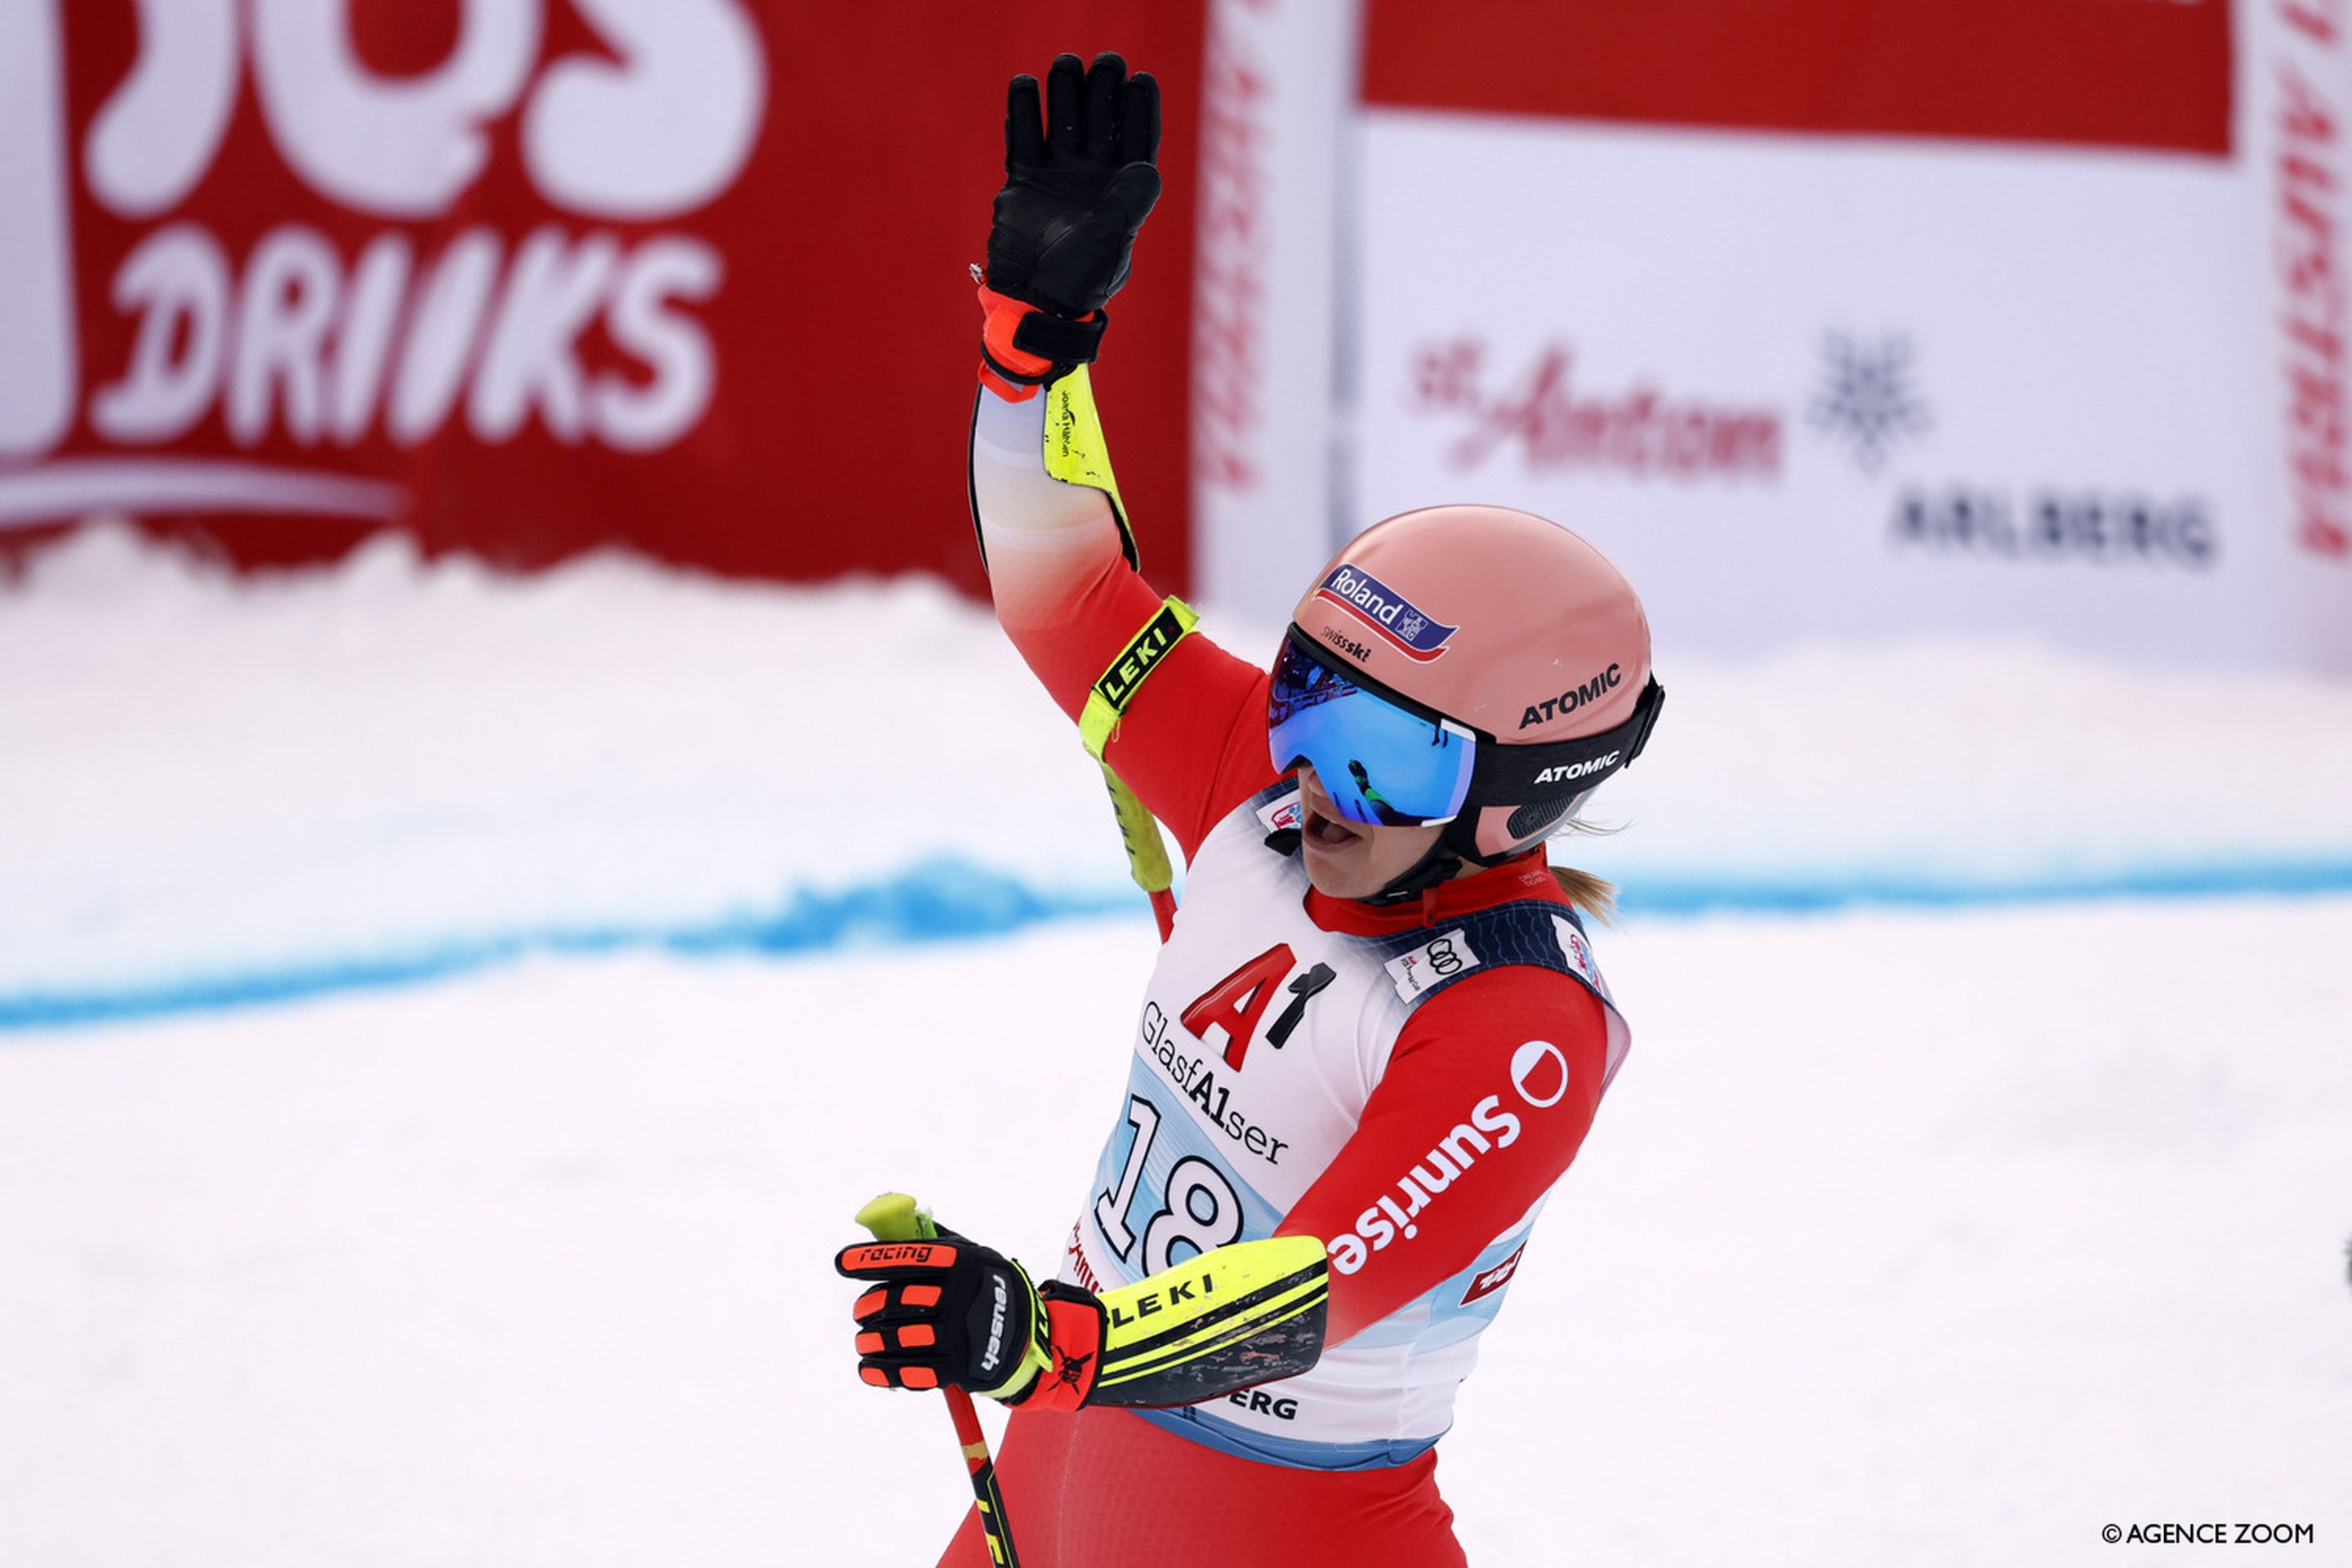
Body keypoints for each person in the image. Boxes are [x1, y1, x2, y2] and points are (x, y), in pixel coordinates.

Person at [834, 53, 1664, 1566]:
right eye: (1304, 702)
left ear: (1514, 799)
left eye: (1386, 760)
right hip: (1061, 1454)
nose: (1312, 779)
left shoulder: (1521, 1028)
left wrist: (1046, 1338)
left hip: (1282, 1519)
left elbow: (1310, 1289)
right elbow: (1064, 591)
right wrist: (1032, 354)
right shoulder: (1266, 794)